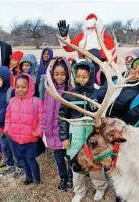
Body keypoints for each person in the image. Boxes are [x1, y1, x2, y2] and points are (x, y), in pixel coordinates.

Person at [59, 61, 107, 202]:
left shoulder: (97, 94)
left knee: (96, 163)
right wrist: (64, 137)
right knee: (76, 164)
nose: (80, 80)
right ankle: (79, 191)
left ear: (91, 76)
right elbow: (62, 117)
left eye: (84, 77)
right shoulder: (70, 94)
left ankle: (100, 187)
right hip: (76, 135)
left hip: (92, 134)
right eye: (78, 76)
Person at [4, 74, 43, 185]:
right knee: (23, 159)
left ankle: (37, 179)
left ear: (29, 87)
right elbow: (8, 116)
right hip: (16, 137)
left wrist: (38, 132)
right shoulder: (12, 101)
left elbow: (41, 119)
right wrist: (8, 128)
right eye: (18, 86)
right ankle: (28, 177)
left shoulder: (36, 102)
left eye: (23, 87)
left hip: (30, 137)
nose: (20, 89)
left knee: (30, 159)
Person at [42, 57, 73, 190]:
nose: (59, 77)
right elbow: (45, 111)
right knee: (58, 157)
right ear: (52, 74)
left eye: (63, 74)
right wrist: (44, 129)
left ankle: (71, 178)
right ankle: (63, 177)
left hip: (65, 132)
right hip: (52, 131)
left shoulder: (71, 91)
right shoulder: (49, 91)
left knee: (70, 156)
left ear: (68, 74)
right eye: (56, 74)